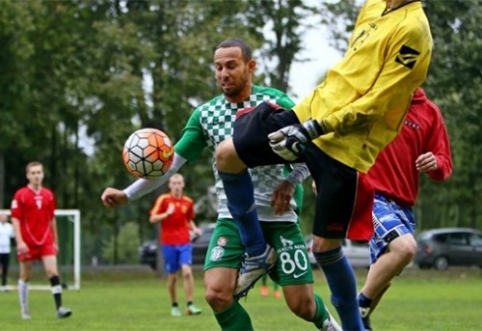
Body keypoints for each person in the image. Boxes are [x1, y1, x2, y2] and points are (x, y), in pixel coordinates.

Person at [214, 1, 432, 330]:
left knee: (324, 249)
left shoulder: (414, 31)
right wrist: (308, 119)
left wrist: (315, 129)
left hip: (345, 145)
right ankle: (257, 251)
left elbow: (377, 102)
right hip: (308, 112)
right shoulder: (373, 6)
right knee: (227, 154)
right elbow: (349, 72)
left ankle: (354, 325)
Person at [101, 38, 340, 331]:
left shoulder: (275, 103)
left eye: (231, 66)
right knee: (216, 294)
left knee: (301, 305)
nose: (223, 73)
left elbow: (311, 149)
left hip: (279, 218)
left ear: (250, 67)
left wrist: (292, 182)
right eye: (218, 67)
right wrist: (127, 194)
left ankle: (326, 321)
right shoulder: (205, 116)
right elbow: (169, 165)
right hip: (232, 219)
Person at [357, 88, 453, 330]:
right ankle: (354, 307)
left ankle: (355, 323)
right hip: (371, 194)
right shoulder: (375, 94)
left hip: (404, 205)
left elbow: (444, 163)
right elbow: (342, 136)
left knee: (383, 278)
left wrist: (435, 162)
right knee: (406, 248)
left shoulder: (430, 112)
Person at [10, 161, 71, 319]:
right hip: (27, 241)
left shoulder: (49, 195)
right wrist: (20, 241)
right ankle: (24, 310)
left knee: (52, 271)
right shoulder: (20, 195)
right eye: (33, 173)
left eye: (39, 172)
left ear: (43, 175)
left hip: (45, 240)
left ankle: (60, 308)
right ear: (28, 176)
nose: (36, 176)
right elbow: (15, 219)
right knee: (25, 275)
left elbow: (52, 219)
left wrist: (55, 241)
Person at [148, 173, 203, 317]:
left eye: (179, 183)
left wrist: (195, 229)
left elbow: (189, 219)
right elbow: (153, 218)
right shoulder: (164, 200)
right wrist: (166, 214)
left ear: (183, 185)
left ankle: (190, 305)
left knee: (187, 271)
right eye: (174, 183)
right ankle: (174, 305)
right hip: (168, 242)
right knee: (173, 276)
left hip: (184, 241)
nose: (177, 186)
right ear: (169, 185)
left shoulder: (188, 202)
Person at [0, 213, 14, 292]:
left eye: (4, 217)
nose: (3, 218)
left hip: (6, 251)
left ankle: (4, 286)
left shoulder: (9, 227)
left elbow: (12, 238)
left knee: (5, 268)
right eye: (2, 217)